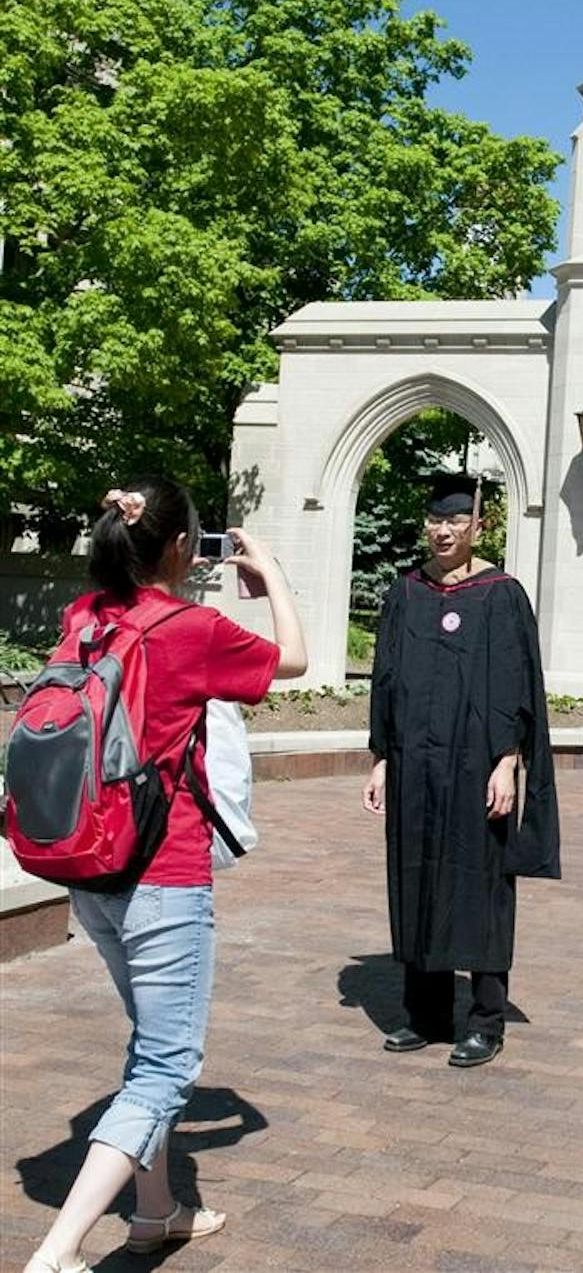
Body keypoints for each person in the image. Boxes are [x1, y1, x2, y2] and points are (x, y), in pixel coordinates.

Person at [23, 476, 307, 1273]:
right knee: (169, 1065)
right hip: (164, 872)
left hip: (90, 867)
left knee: (149, 1045)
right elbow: (296, 659)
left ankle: (157, 1213)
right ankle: (59, 1253)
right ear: (184, 547)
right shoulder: (190, 627)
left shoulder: (84, 618)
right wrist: (271, 571)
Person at [363, 473, 560, 1068]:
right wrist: (381, 760)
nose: (443, 530)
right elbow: (386, 681)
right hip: (416, 766)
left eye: (455, 521)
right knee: (418, 873)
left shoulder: (501, 594)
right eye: (435, 520)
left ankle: (485, 1018)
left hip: (478, 766)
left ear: (478, 527)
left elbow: (518, 688)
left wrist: (508, 763)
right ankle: (423, 1012)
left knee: (480, 883)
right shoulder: (406, 593)